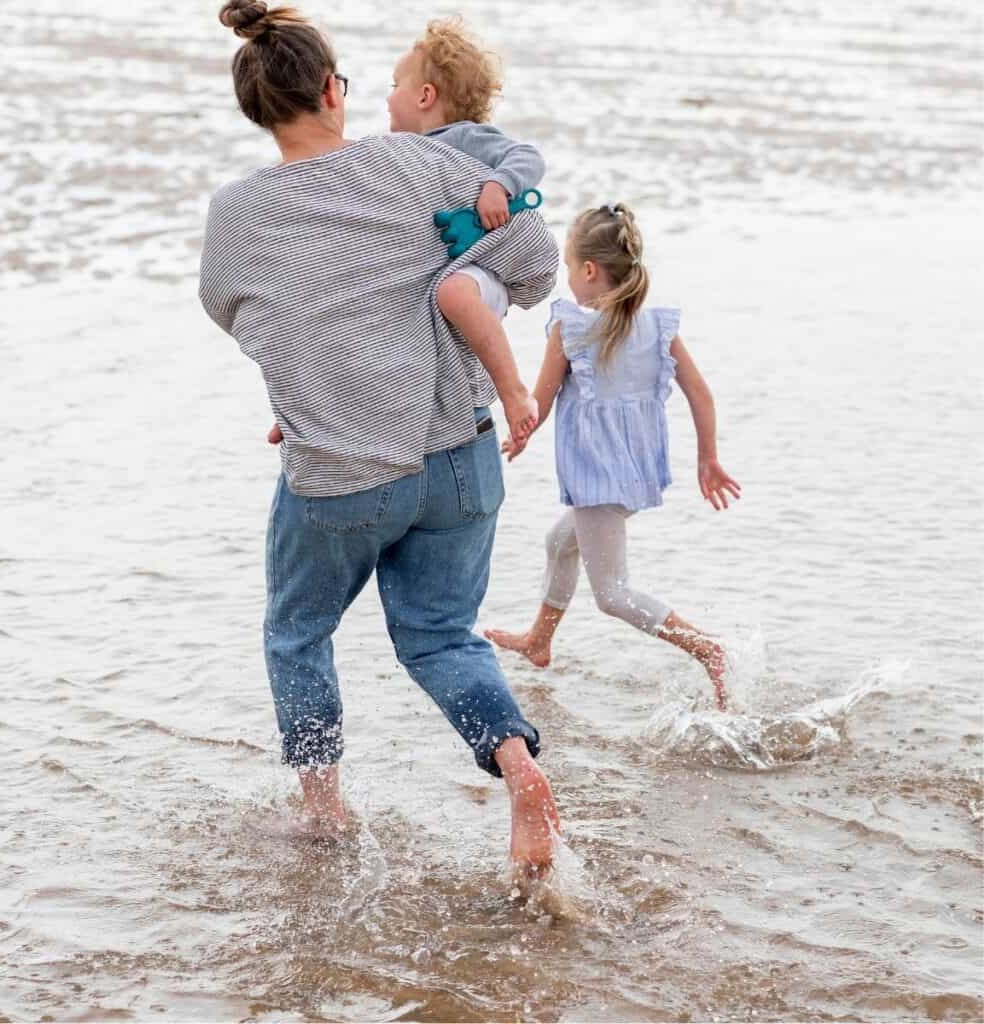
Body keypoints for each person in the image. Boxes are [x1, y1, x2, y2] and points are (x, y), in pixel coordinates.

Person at [199, 0, 561, 870]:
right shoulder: (416, 162)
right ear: (334, 91)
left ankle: (323, 808)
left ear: (256, 107)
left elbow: (237, 313)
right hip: (460, 454)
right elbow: (539, 262)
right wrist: (454, 265)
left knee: (298, 631)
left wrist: (319, 385)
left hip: (341, 472)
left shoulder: (237, 213)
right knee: (442, 637)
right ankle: (517, 769)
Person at [485, 203, 741, 709]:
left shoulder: (572, 327)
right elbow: (701, 394)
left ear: (588, 270)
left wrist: (522, 432)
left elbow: (541, 396)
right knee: (561, 542)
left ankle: (708, 649)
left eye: (566, 266)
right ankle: (540, 639)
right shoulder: (657, 326)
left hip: (596, 473)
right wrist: (707, 459)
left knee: (613, 594)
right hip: (637, 468)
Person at [388, 16, 545, 444]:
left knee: (454, 293)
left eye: (394, 84)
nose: (387, 98)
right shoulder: (401, 152)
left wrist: (499, 185)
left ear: (424, 96)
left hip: (481, 277)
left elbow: (528, 156)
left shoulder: (464, 138)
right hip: (445, 269)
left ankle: (513, 394)